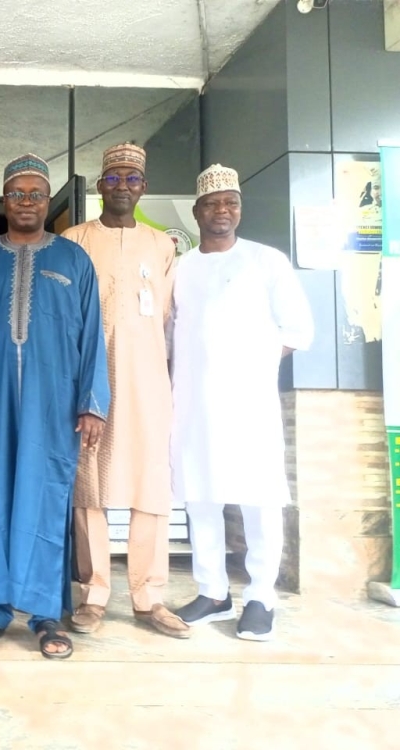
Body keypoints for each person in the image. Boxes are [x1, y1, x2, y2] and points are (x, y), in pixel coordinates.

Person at [0, 154, 110, 660]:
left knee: (45, 498)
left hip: (54, 404)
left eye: (36, 194)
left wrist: (92, 404)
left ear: (48, 201)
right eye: (17, 193)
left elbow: (93, 337)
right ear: (5, 200)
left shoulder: (73, 260)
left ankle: (46, 612)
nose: (26, 202)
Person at [171, 164, 314, 641]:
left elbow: (299, 329)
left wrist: (251, 361)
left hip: (250, 404)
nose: (222, 211)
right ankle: (212, 591)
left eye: (230, 202)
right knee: (200, 496)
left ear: (240, 209)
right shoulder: (182, 267)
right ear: (196, 212)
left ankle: (260, 597)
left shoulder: (267, 261)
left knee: (259, 498)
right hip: (192, 402)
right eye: (212, 204)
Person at [62, 143, 188, 639]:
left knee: (150, 487)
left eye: (131, 178)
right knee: (89, 485)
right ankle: (94, 594)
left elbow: (171, 320)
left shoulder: (163, 246)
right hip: (90, 383)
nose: (121, 186)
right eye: (112, 177)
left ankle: (149, 595)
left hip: (149, 383)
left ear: (144, 187)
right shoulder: (73, 239)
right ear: (99, 186)